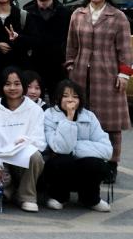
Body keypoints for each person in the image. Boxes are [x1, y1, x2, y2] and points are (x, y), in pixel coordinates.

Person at [64, 0, 131, 184]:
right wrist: (70, 65)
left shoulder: (117, 16)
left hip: (108, 75)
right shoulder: (78, 14)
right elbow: (71, 44)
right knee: (80, 119)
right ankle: (85, 160)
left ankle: (112, 164)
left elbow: (125, 49)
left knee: (110, 124)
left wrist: (124, 74)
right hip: (80, 75)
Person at [42, 79, 112, 212]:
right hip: (59, 165)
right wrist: (69, 118)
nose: (70, 100)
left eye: (75, 97)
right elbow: (61, 148)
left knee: (94, 163)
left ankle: (91, 199)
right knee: (63, 160)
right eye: (65, 96)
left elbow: (106, 150)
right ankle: (59, 197)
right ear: (58, 98)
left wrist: (75, 148)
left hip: (82, 165)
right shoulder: (49, 115)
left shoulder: (89, 116)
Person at [0, 67, 46, 213]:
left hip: (23, 157)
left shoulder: (35, 109)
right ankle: (9, 189)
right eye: (8, 84)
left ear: (23, 86)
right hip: (2, 158)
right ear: (2, 86)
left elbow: (39, 141)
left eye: (17, 84)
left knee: (36, 156)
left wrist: (24, 141)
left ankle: (27, 196)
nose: (12, 88)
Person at [23, 0, 72, 95]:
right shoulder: (25, 12)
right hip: (33, 64)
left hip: (58, 65)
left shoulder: (66, 13)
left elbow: (70, 39)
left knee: (58, 97)